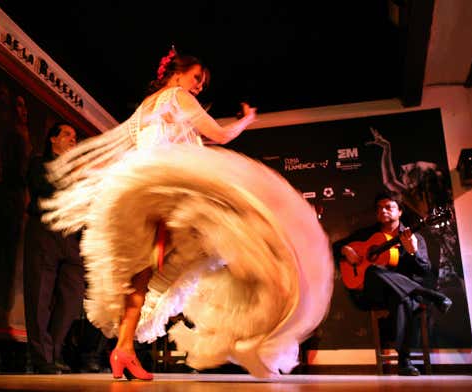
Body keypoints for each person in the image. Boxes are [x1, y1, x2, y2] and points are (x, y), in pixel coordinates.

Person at [40, 47, 334, 380]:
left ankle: (123, 348)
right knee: (235, 237)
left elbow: (141, 144)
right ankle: (260, 318)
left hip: (144, 188)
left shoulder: (145, 106)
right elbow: (220, 135)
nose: (198, 87)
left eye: (201, 84)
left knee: (142, 273)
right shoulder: (177, 95)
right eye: (196, 78)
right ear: (176, 74)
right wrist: (247, 120)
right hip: (170, 187)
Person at [335, 189, 452, 376]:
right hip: (374, 293)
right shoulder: (367, 235)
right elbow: (336, 246)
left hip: (401, 295)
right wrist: (345, 249)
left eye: (389, 207)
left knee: (402, 299)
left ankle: (404, 361)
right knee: (373, 270)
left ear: (400, 212)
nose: (383, 211)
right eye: (379, 208)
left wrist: (413, 252)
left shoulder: (415, 237)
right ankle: (429, 295)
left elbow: (425, 271)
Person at [23, 122, 85, 374]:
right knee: (39, 294)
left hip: (71, 236)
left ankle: (54, 351)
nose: (73, 139)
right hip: (45, 230)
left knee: (72, 296)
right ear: (53, 139)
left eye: (75, 136)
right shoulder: (40, 163)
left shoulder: (79, 171)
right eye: (67, 134)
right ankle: (42, 358)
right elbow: (42, 186)